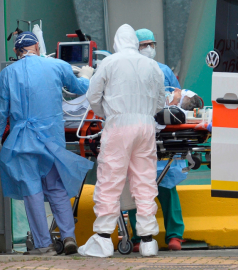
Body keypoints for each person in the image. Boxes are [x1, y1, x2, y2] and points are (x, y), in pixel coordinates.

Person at [0, 31, 95, 256]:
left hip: (22, 141)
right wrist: (86, 76)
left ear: (16, 52)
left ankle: (44, 245)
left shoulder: (7, 74)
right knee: (56, 188)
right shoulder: (58, 66)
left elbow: (0, 112)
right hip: (51, 140)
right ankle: (68, 236)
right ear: (37, 46)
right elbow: (78, 89)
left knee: (32, 191)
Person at [78, 24, 165, 258]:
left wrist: (107, 113)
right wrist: (144, 113)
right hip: (146, 126)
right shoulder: (152, 65)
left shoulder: (109, 62)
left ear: (116, 42)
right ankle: (148, 240)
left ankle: (104, 238)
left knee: (110, 179)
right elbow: (160, 102)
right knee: (145, 180)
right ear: (136, 43)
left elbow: (93, 96)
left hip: (118, 125)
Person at [124, 28, 188, 253]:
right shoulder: (125, 69)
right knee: (135, 188)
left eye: (152, 44)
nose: (149, 49)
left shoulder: (163, 71)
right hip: (138, 132)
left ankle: (174, 236)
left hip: (159, 134)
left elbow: (178, 97)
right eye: (144, 45)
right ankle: (138, 237)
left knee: (165, 186)